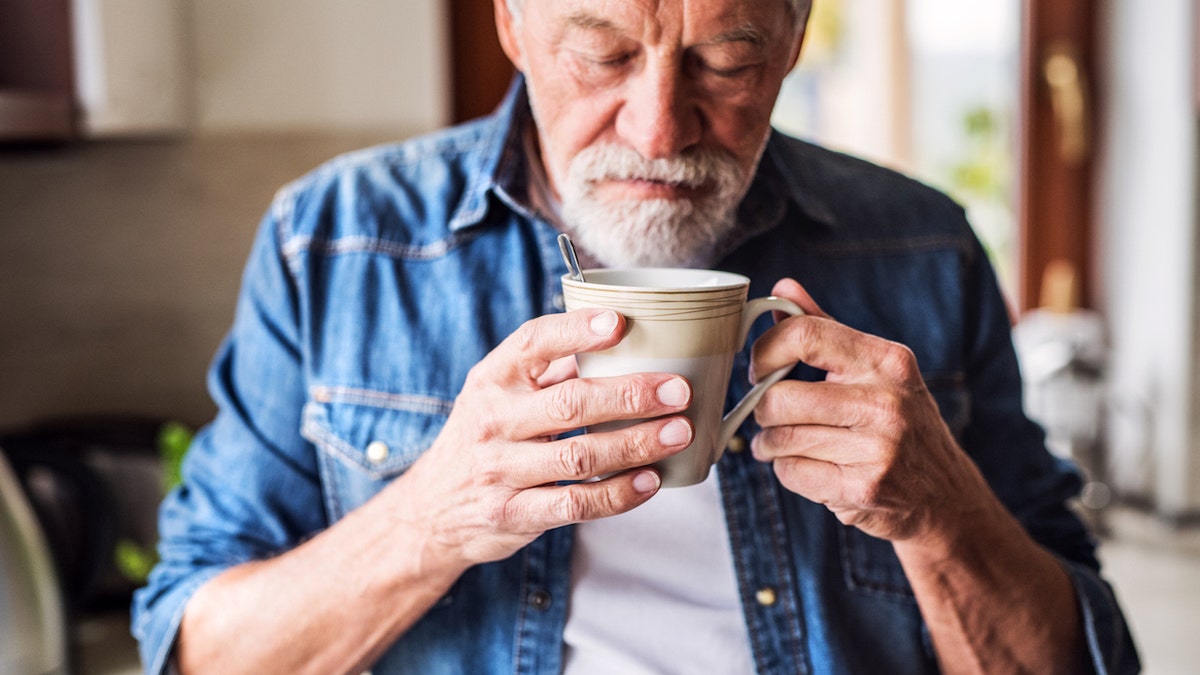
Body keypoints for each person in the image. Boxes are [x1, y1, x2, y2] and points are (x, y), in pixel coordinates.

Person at [132, 0, 1141, 673]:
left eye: (726, 59)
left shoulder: (922, 249)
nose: (659, 127)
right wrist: (429, 520)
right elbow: (194, 647)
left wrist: (940, 513)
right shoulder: (337, 240)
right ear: (515, 25)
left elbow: (1076, 655)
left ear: (791, 42)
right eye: (604, 50)